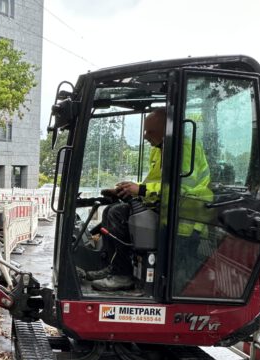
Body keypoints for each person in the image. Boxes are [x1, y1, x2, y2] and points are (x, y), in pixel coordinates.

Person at [89, 107, 211, 292]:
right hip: (164, 206)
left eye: (150, 131)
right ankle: (115, 268)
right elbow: (156, 184)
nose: (145, 136)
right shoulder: (160, 149)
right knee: (111, 211)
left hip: (184, 214)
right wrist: (129, 190)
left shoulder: (184, 150)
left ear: (166, 130)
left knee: (117, 214)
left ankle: (123, 275)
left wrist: (142, 190)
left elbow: (181, 188)